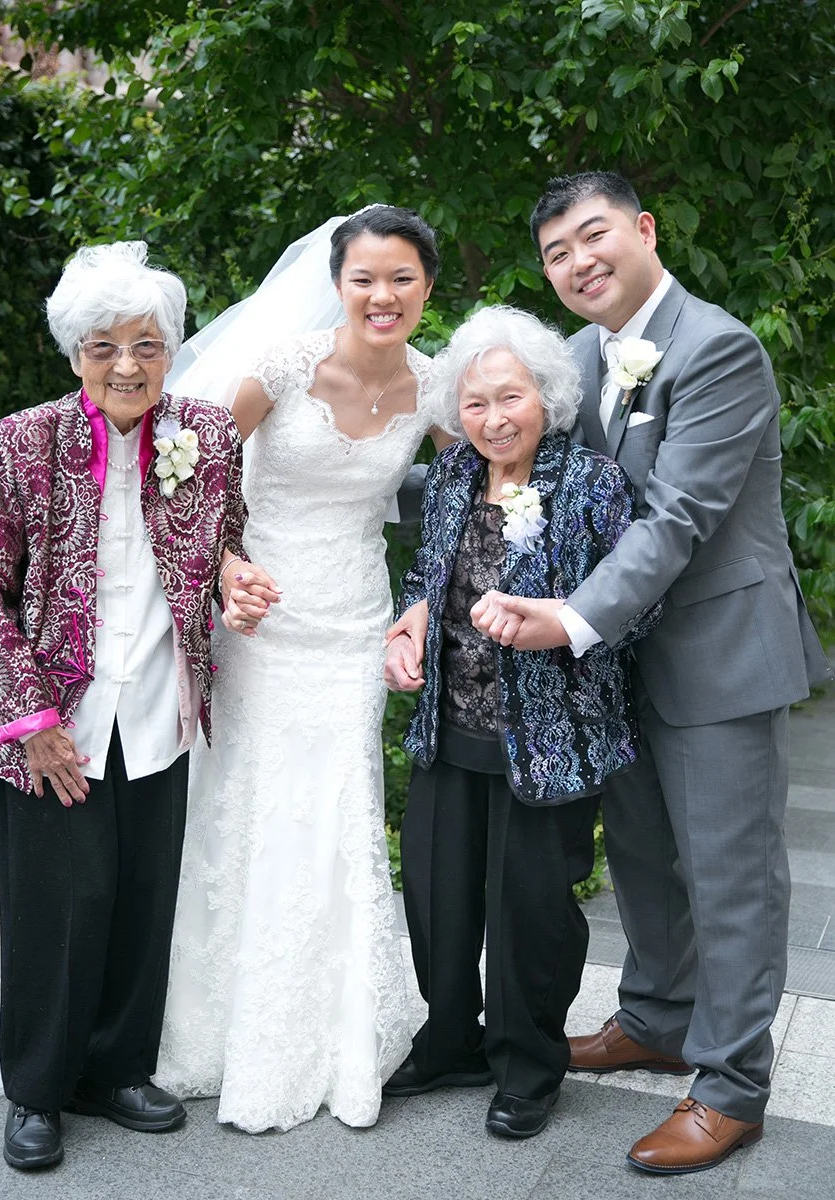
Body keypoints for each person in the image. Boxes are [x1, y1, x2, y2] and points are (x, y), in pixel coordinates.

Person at [471, 171, 831, 1173]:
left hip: (715, 652)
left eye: (594, 237)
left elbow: (676, 518)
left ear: (642, 229)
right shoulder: (576, 360)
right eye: (556, 253)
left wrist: (573, 617)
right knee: (640, 858)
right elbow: (530, 475)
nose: (579, 263)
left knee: (731, 877)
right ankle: (659, 1015)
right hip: (615, 665)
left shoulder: (718, 348)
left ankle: (731, 1086)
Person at [155, 206, 452, 1133]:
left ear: (427, 288)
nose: (383, 295)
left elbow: (457, 508)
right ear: (338, 283)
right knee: (253, 803)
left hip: (356, 621)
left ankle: (341, 1030)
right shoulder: (281, 368)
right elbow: (192, 477)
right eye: (365, 277)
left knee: (343, 804)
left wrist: (425, 600)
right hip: (264, 619)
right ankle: (217, 1022)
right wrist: (224, 570)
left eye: (401, 278)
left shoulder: (438, 389)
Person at [0, 241, 248, 1170]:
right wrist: (32, 719)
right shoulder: (21, 439)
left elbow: (226, 541)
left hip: (161, 705)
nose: (128, 364)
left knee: (140, 893)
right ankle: (39, 1090)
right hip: (55, 720)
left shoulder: (206, 436)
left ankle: (119, 1068)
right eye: (104, 346)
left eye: (148, 344)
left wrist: (238, 578)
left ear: (172, 348)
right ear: (74, 352)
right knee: (54, 903)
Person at [380, 305, 659, 1139]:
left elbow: (636, 610)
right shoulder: (453, 476)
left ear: (546, 394)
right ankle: (449, 1041)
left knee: (531, 911)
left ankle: (528, 1063)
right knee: (437, 899)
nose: (494, 419)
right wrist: (409, 624)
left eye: (511, 398)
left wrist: (557, 614)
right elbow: (429, 576)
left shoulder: (593, 483)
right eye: (475, 404)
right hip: (451, 731)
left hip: (550, 737)